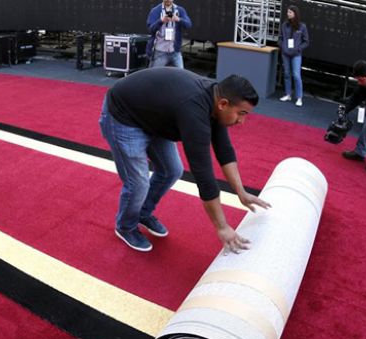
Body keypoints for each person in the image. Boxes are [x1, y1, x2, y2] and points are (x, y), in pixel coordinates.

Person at [99, 68, 271, 253]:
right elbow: (204, 175)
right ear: (223, 104)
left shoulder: (215, 101)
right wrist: (222, 227)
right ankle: (125, 226)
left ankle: (142, 212)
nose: (242, 121)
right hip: (124, 116)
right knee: (138, 183)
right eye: (241, 113)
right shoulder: (194, 111)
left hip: (153, 115)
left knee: (172, 170)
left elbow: (224, 150)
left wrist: (241, 192)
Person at [278, 5, 309, 107]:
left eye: (290, 12)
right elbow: (280, 38)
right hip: (285, 54)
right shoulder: (284, 25)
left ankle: (299, 98)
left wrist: (298, 48)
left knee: (296, 75)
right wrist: (283, 46)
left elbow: (306, 41)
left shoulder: (302, 26)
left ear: (295, 14)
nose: (288, 14)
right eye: (288, 12)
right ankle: (288, 94)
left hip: (296, 55)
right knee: (287, 74)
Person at [146, 0, 192, 68]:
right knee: (155, 76)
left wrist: (178, 19)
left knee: (180, 75)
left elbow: (188, 25)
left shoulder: (179, 10)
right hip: (160, 51)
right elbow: (150, 29)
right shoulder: (155, 11)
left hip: (175, 51)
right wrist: (161, 21)